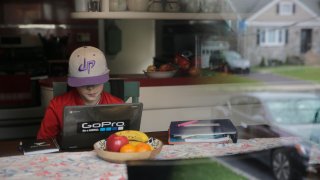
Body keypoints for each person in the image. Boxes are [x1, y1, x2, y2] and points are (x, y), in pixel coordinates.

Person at [37, 46, 124, 140]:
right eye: (83, 83)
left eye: (97, 81)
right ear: (75, 83)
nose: (91, 88)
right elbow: (43, 142)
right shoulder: (57, 105)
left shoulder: (118, 106)